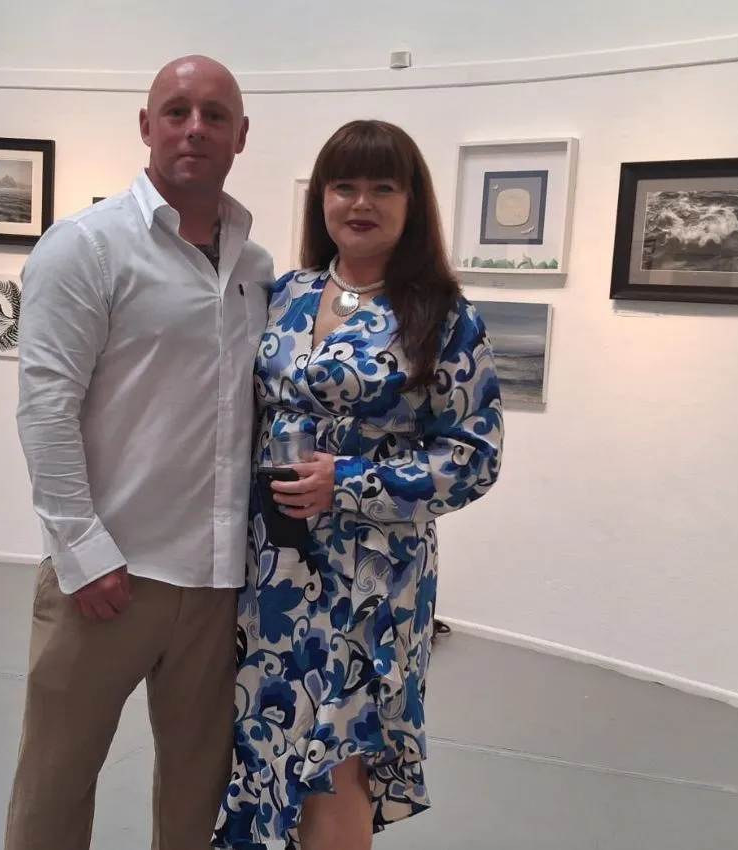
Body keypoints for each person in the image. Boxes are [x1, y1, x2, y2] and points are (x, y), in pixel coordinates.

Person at [6, 54, 276, 850]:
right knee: (55, 789)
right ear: (146, 125)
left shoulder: (256, 269)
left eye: (216, 114)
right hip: (110, 579)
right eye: (177, 110)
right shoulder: (85, 249)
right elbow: (44, 409)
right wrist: (83, 552)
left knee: (198, 799)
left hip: (219, 580)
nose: (196, 127)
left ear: (241, 135)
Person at [214, 119, 506, 849]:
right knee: (265, 735)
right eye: (344, 185)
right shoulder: (283, 294)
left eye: (383, 186)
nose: (360, 202)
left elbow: (473, 456)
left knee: (338, 753)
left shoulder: (441, 315)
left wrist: (347, 482)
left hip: (371, 579)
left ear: (413, 203)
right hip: (271, 568)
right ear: (323, 199)